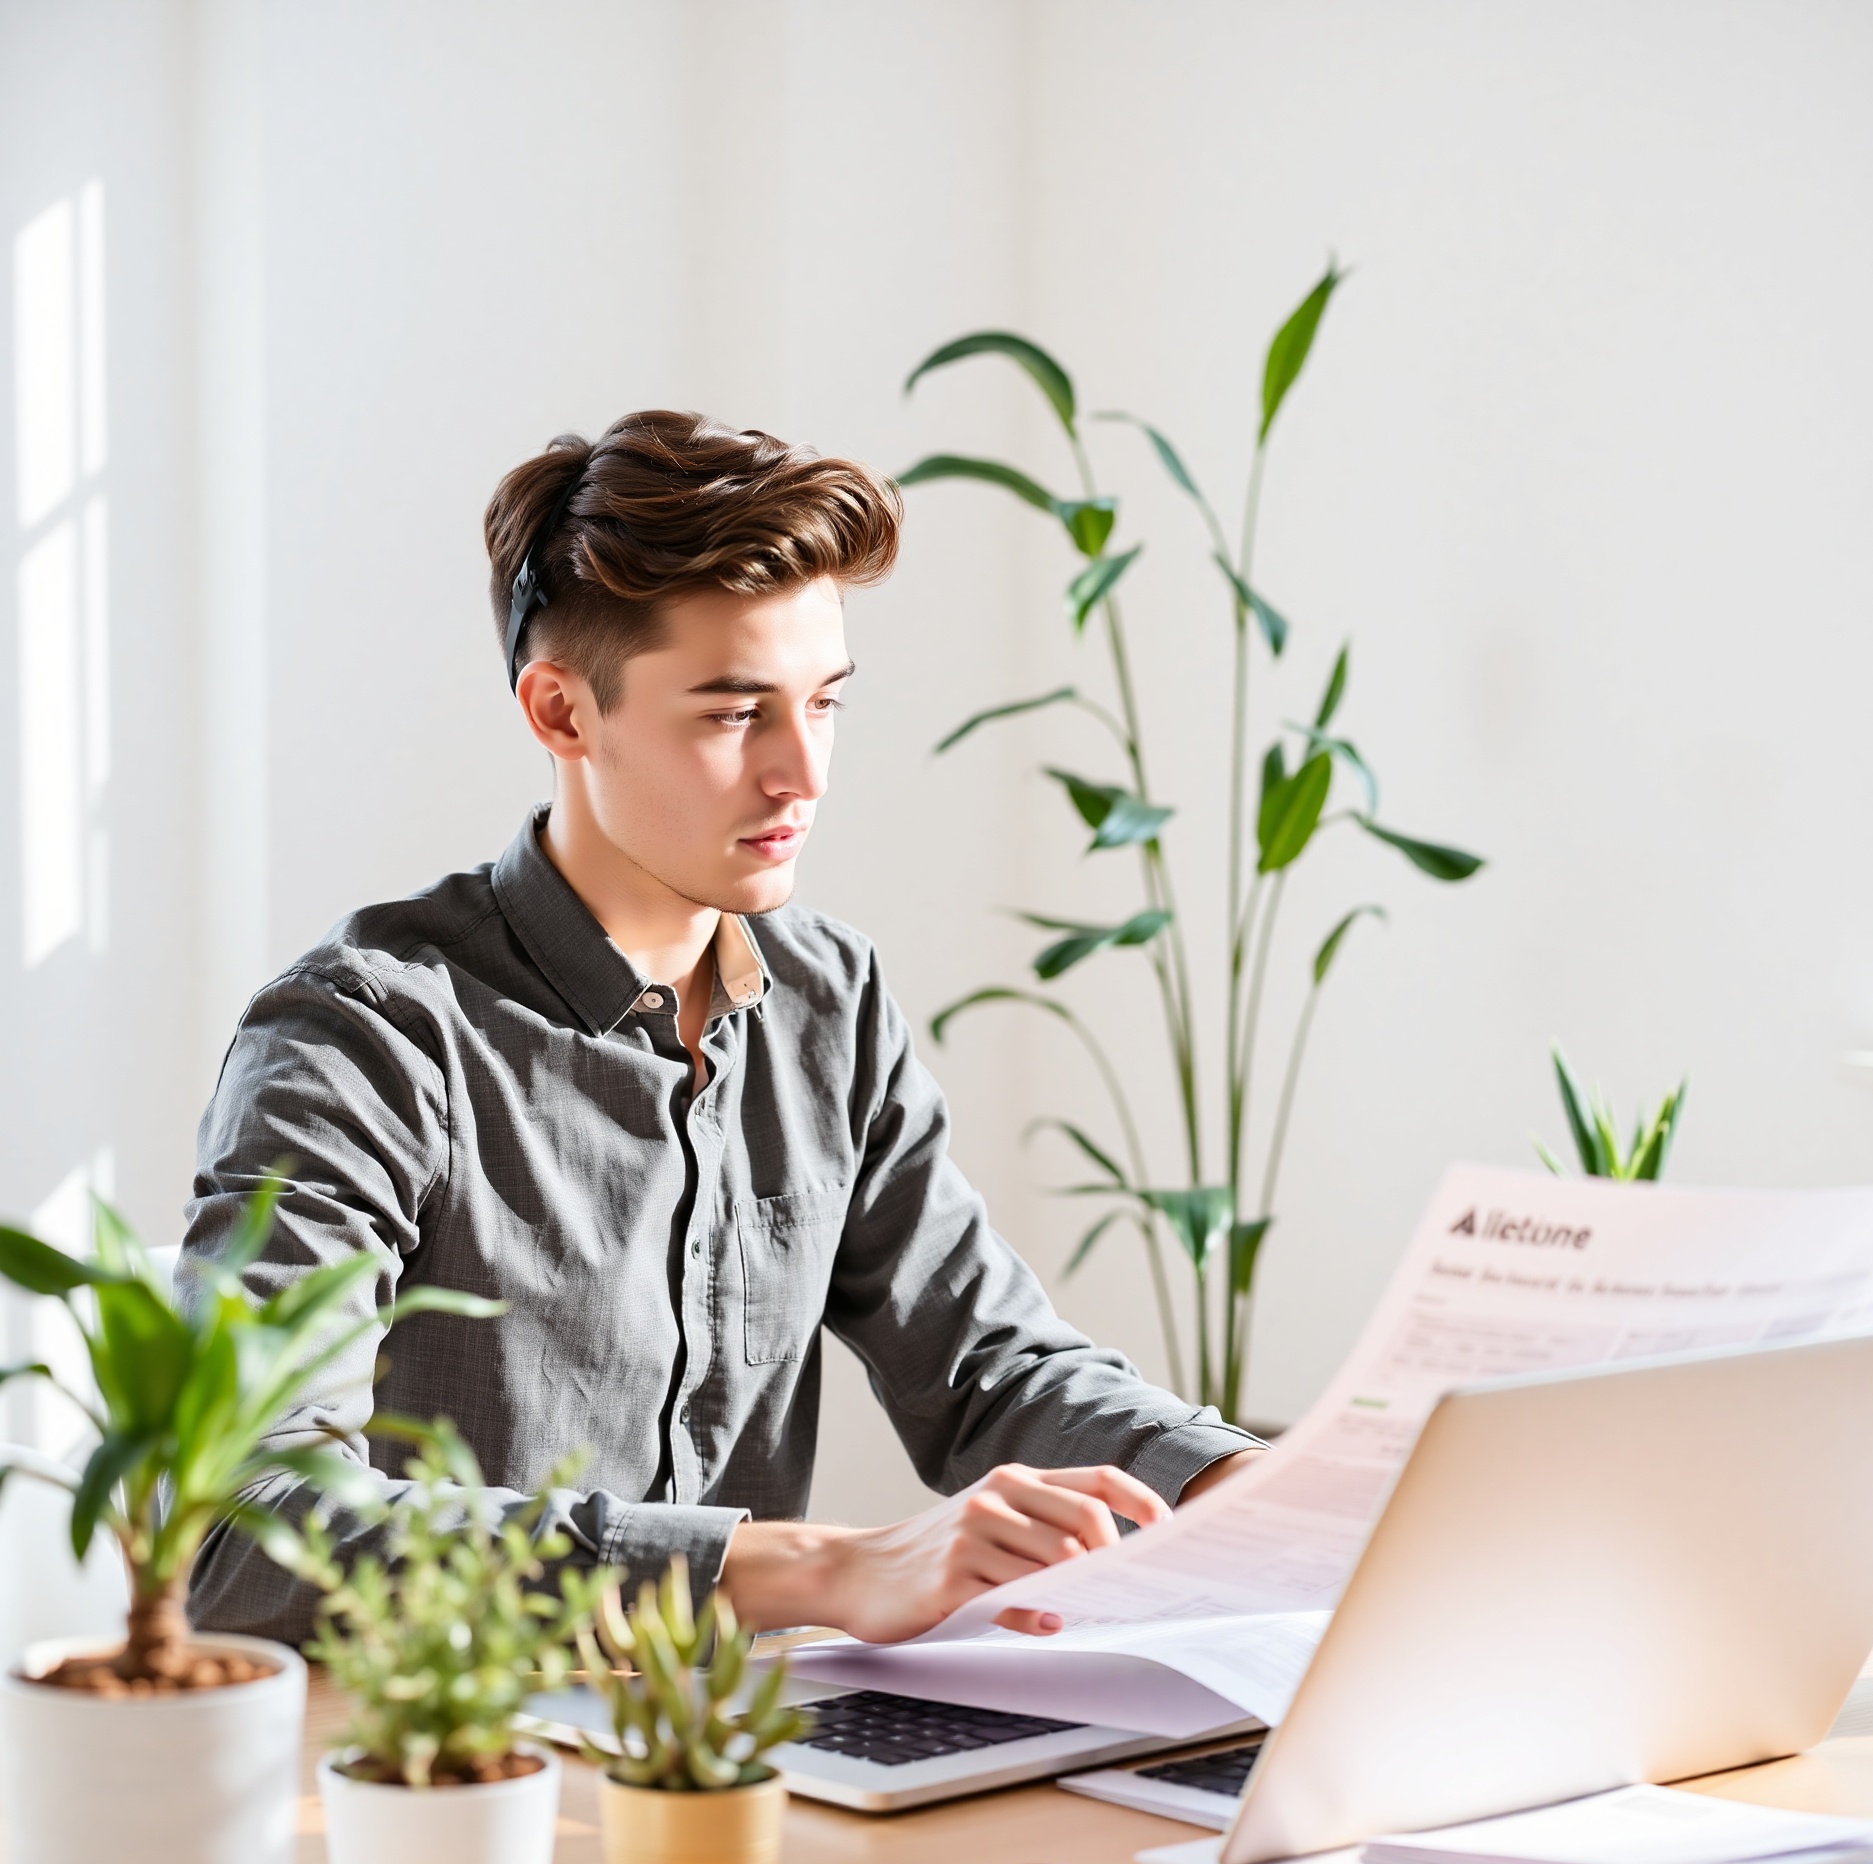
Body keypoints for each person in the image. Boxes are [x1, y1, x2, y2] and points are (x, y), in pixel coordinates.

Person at [184, 411, 1263, 1646]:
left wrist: (1250, 1496)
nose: (801, 771)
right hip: (447, 1783)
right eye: (734, 713)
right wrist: (809, 1568)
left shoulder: (827, 998)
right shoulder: (362, 1035)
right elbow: (242, 1527)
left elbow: (986, 1365)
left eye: (826, 702)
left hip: (735, 1755)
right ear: (561, 711)